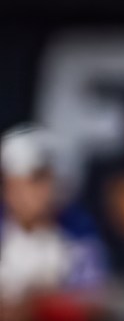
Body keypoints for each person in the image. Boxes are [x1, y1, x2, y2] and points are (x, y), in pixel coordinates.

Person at [0, 125, 108, 321]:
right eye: (34, 180)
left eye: (48, 179)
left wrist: (37, 304)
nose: (43, 191)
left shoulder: (78, 228)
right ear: (9, 184)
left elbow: (94, 304)